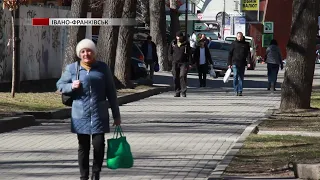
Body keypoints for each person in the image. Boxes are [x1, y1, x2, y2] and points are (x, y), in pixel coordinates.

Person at [56, 39, 121, 180]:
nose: (86, 54)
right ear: (79, 53)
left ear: (94, 52)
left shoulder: (103, 68)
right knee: (83, 147)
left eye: (89, 50)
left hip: (99, 113)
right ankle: (83, 176)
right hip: (80, 114)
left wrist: (116, 115)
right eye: (83, 51)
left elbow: (111, 92)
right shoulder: (72, 68)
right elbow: (60, 84)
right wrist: (71, 86)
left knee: (99, 145)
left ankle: (96, 173)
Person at [228, 32, 251, 96]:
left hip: (242, 63)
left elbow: (248, 54)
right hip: (235, 62)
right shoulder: (233, 44)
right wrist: (229, 63)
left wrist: (249, 62)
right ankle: (236, 90)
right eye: (238, 36)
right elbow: (230, 54)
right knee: (235, 75)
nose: (239, 38)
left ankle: (240, 91)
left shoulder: (246, 44)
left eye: (240, 36)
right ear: (236, 37)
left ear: (242, 36)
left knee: (241, 77)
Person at [168, 31, 191, 97]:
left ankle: (183, 91)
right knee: (175, 76)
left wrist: (190, 62)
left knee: (182, 76)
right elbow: (170, 52)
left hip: (183, 62)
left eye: (179, 37)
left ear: (182, 37)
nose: (178, 38)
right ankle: (177, 91)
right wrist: (171, 59)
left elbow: (189, 53)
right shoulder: (173, 43)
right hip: (175, 62)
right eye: (177, 36)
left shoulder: (186, 43)